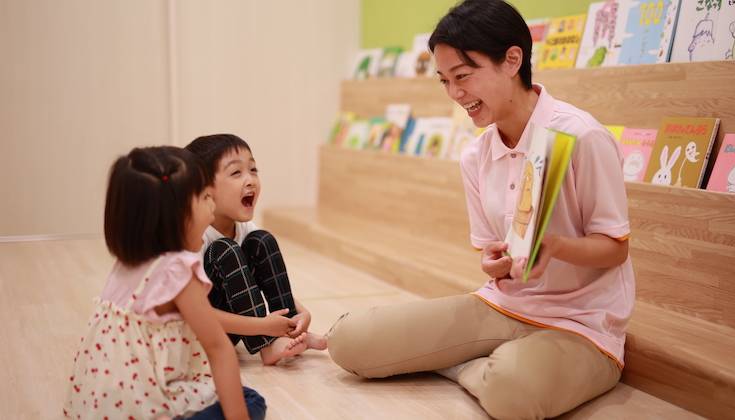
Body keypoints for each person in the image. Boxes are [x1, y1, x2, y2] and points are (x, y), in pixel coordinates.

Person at [326, 1, 635, 418]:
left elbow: (615, 248)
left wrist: (556, 246)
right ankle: (481, 366)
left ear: (512, 60)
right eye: (445, 81)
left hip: (582, 325)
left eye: (463, 76)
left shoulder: (582, 137)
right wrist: (495, 263)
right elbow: (492, 251)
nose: (456, 94)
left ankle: (467, 366)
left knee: (512, 391)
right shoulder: (476, 154)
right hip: (501, 306)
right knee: (348, 340)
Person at [63, 146, 266, 419]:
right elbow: (220, 350)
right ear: (178, 213)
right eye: (206, 197)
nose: (213, 206)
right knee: (250, 399)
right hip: (149, 409)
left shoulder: (126, 265)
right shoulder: (177, 272)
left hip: (99, 408)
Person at [186, 134, 327, 366]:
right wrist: (263, 327)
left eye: (253, 170)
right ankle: (268, 344)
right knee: (224, 250)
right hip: (201, 337)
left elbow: (265, 279)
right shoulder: (194, 237)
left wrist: (302, 313)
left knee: (262, 240)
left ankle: (291, 330)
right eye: (236, 173)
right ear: (205, 189)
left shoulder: (244, 228)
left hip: (235, 331)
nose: (250, 180)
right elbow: (196, 313)